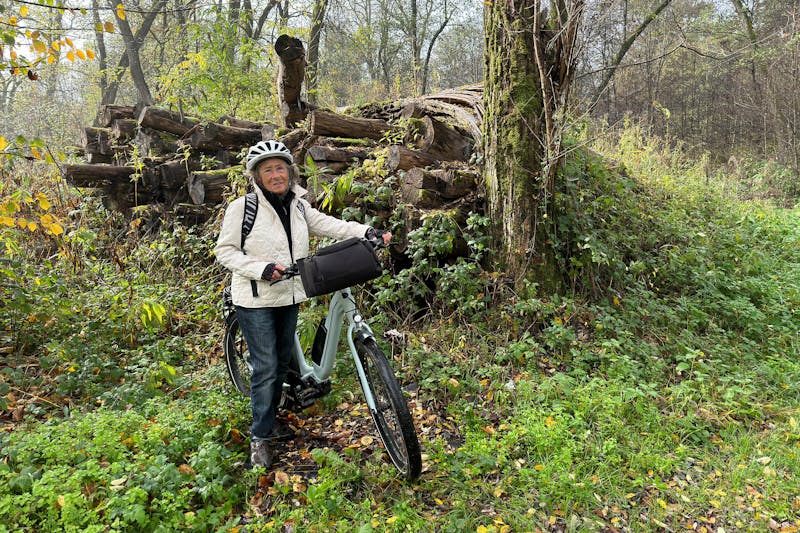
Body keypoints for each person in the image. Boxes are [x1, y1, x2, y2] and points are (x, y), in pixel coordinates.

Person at [215, 140, 391, 469]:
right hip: (255, 299)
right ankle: (260, 437)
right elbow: (225, 252)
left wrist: (366, 231)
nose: (276, 174)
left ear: (289, 171)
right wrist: (262, 269)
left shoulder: (297, 205)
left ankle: (277, 403)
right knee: (267, 367)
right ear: (257, 176)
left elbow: (328, 225)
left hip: (289, 294)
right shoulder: (243, 208)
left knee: (282, 362)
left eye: (280, 167)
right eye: (268, 170)